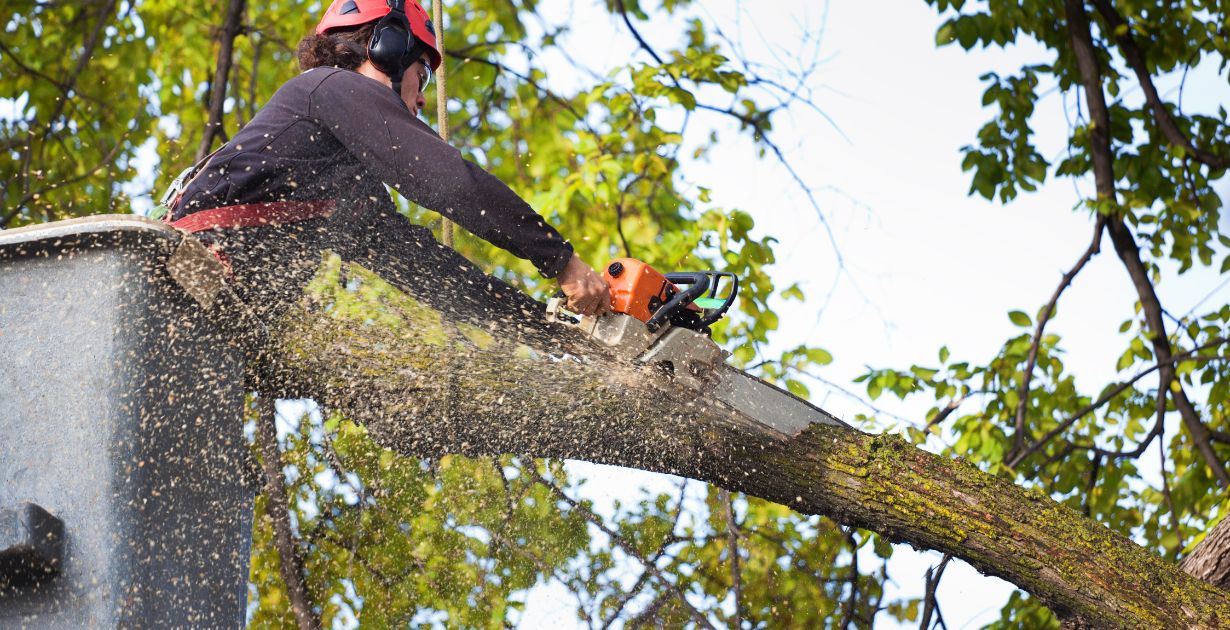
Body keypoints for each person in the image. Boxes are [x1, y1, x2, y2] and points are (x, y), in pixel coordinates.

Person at [165, 0, 611, 330]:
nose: (421, 97)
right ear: (388, 48)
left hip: (206, 321)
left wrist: (554, 331)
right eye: (424, 72)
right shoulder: (329, 86)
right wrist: (562, 261)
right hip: (178, 284)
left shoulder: (343, 187)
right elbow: (450, 183)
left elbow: (430, 272)